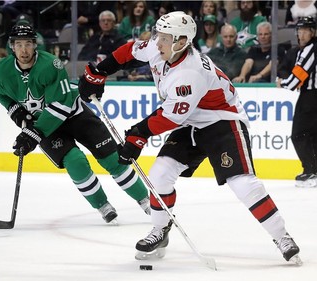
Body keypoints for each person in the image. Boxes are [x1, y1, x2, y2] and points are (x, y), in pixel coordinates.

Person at [78, 11, 301, 263]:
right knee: (160, 173)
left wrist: (137, 136)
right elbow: (130, 51)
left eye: (164, 38)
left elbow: (170, 117)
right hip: (191, 120)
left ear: (182, 42)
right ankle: (160, 230)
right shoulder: (162, 45)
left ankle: (282, 236)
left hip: (222, 121)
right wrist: (98, 71)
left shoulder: (189, 73)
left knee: (243, 183)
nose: (157, 42)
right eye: (158, 36)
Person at [0, 24, 150, 224]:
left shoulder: (50, 65)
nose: (24, 50)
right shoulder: (1, 71)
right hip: (46, 127)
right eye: (18, 45)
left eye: (28, 44)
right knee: (76, 163)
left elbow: (61, 104)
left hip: (74, 114)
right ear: (12, 47)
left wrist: (34, 133)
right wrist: (17, 112)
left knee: (112, 159)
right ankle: (102, 205)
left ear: (35, 45)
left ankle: (146, 200)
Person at [276, 16, 317, 188]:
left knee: (299, 134)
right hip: (311, 95)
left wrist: (282, 83)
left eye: (305, 30)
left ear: (313, 32)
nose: (301, 34)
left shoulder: (311, 49)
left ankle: (310, 170)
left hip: (311, 96)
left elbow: (296, 79)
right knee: (313, 135)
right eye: (299, 30)